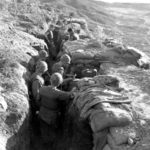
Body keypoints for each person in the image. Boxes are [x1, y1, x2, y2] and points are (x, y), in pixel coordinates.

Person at [39, 73, 74, 149]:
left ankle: (44, 144)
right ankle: (51, 146)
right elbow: (69, 95)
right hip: (52, 116)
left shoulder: (42, 89)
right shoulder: (58, 93)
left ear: (50, 80)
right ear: (59, 83)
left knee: (44, 130)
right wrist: (73, 90)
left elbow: (39, 98)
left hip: (42, 113)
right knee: (52, 131)